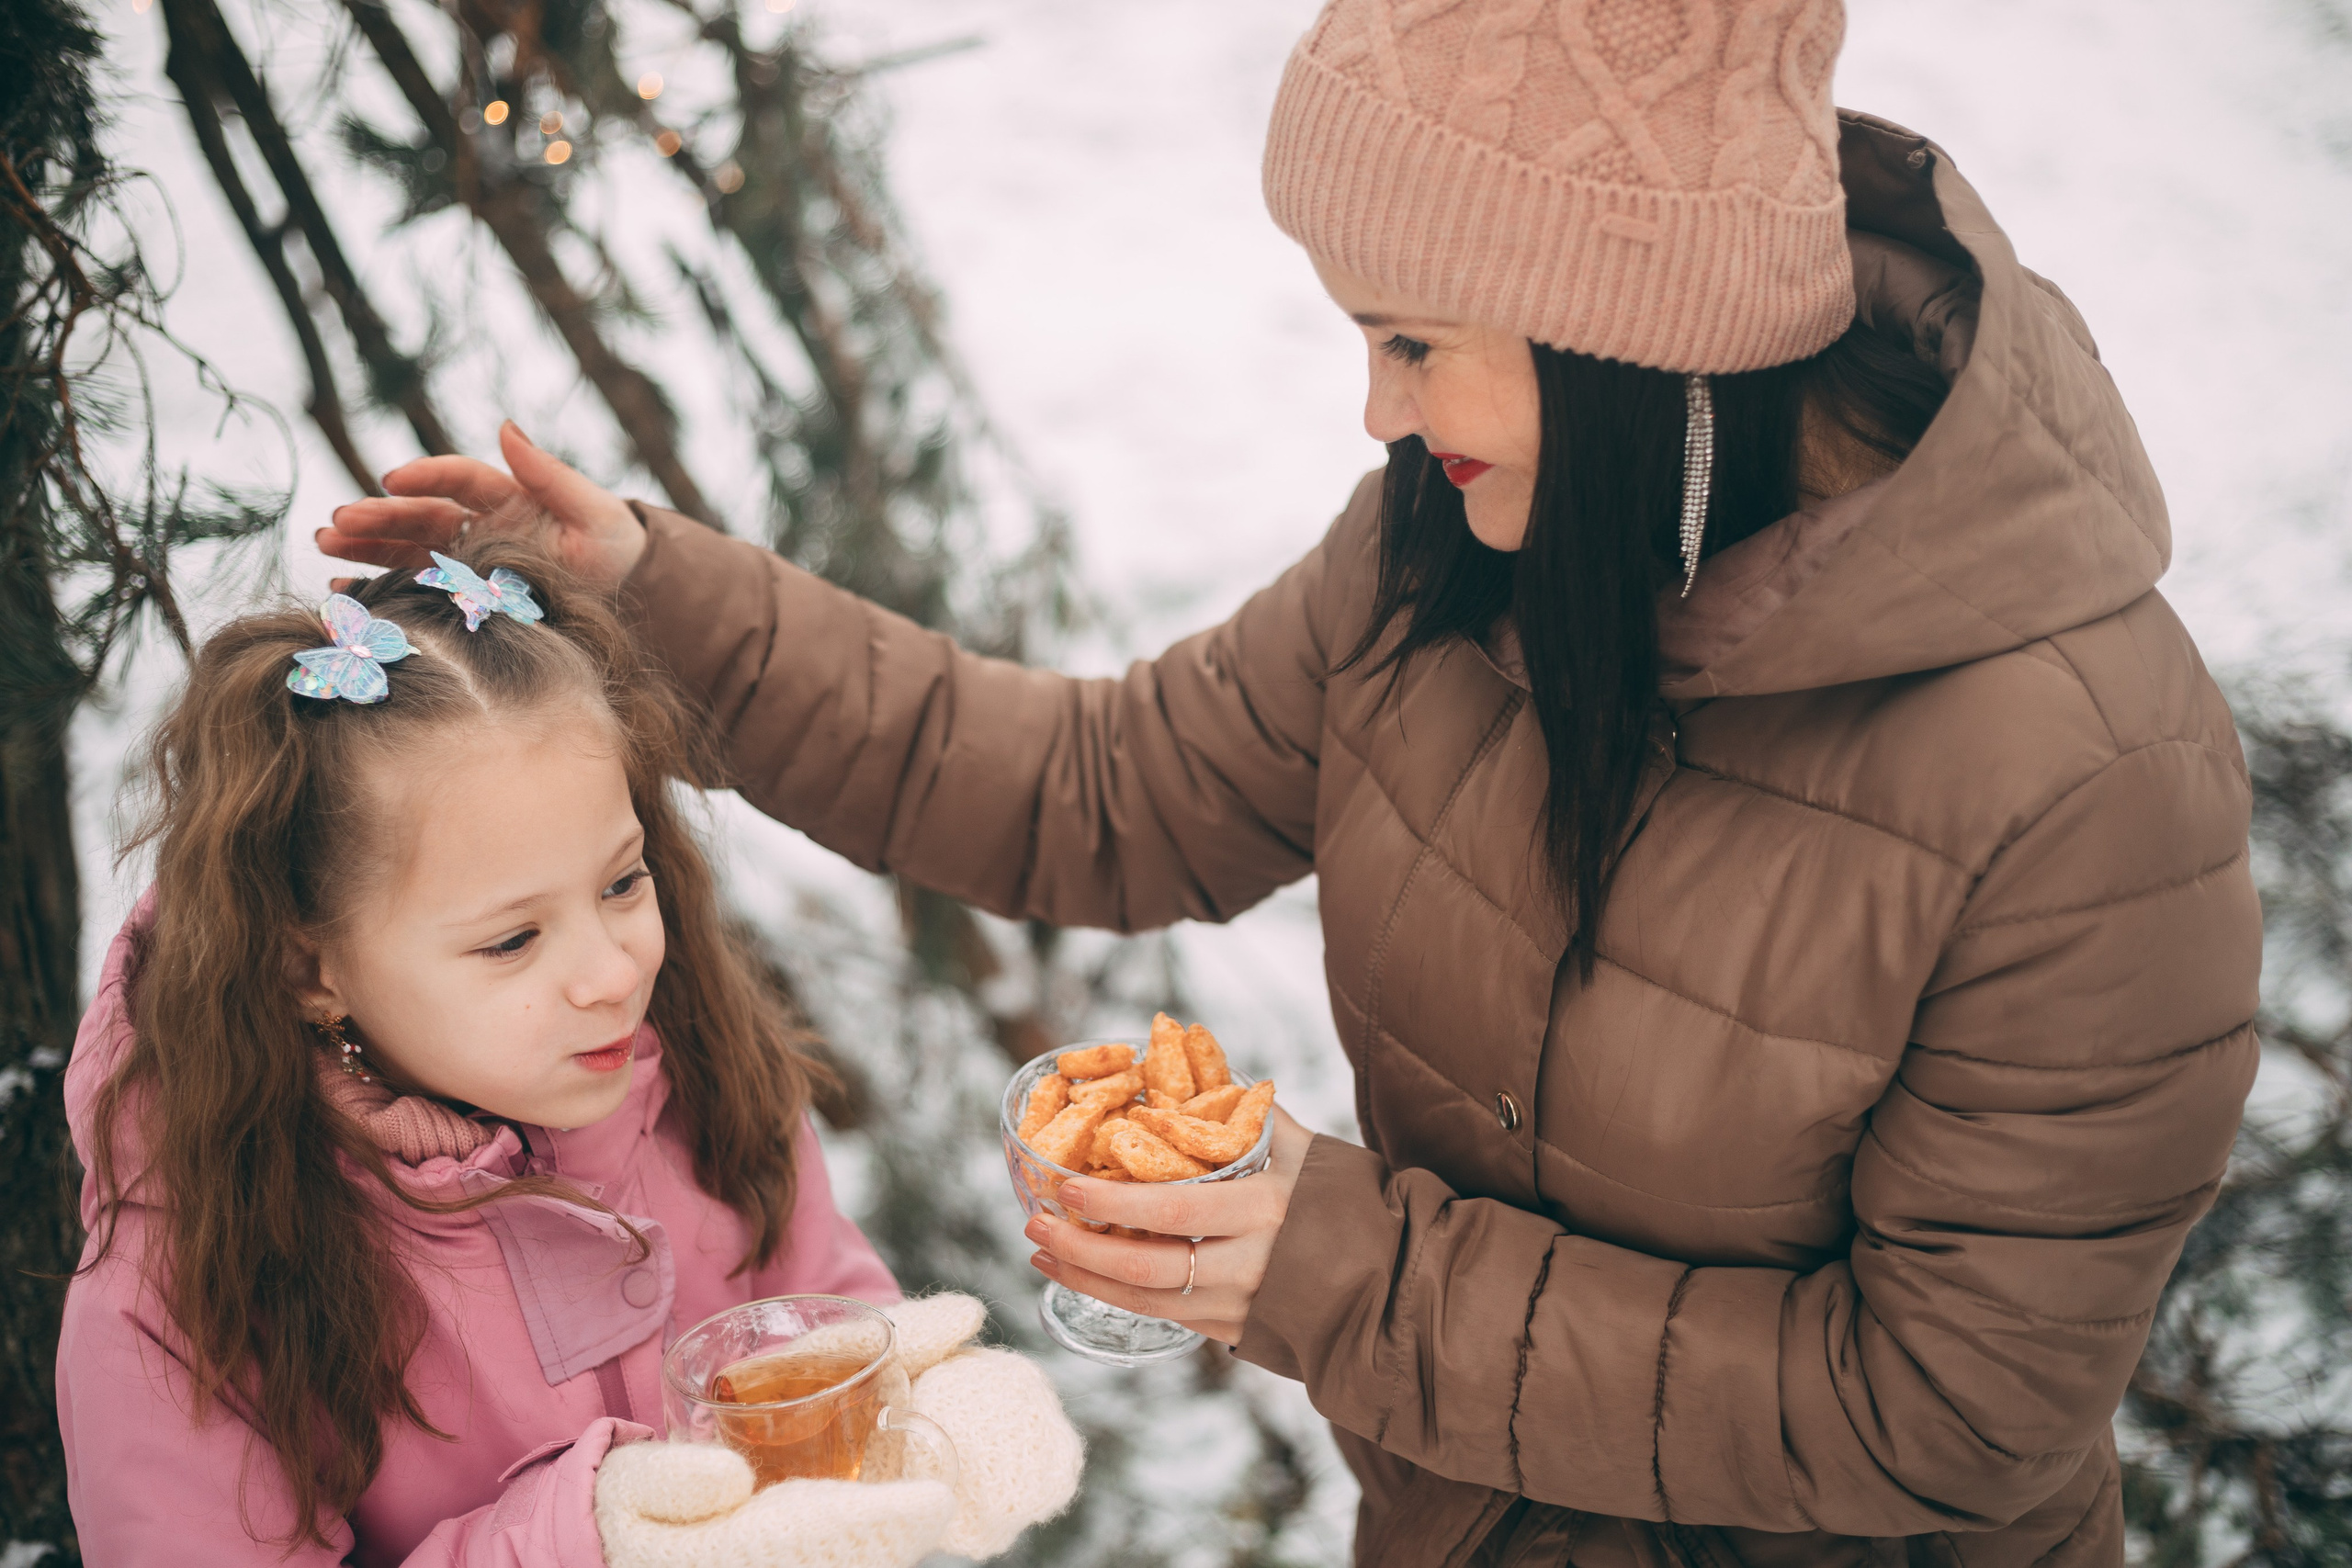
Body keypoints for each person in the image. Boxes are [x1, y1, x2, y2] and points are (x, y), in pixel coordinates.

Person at [322, 2, 2262, 1562]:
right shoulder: (1457, 551)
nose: (1379, 411)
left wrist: (1336, 1268)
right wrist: (658, 596)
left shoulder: (2081, 775)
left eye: (1415, 340)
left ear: (1628, 336)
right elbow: (1099, 791)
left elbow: (1952, 1406)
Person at [56, 544, 1080, 1564]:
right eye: (513, 940)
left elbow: (808, 1304)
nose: (611, 974)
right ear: (308, 967)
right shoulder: (189, 1289)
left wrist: (914, 1402)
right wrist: (594, 1544)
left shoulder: (687, 1070)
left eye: (623, 883)